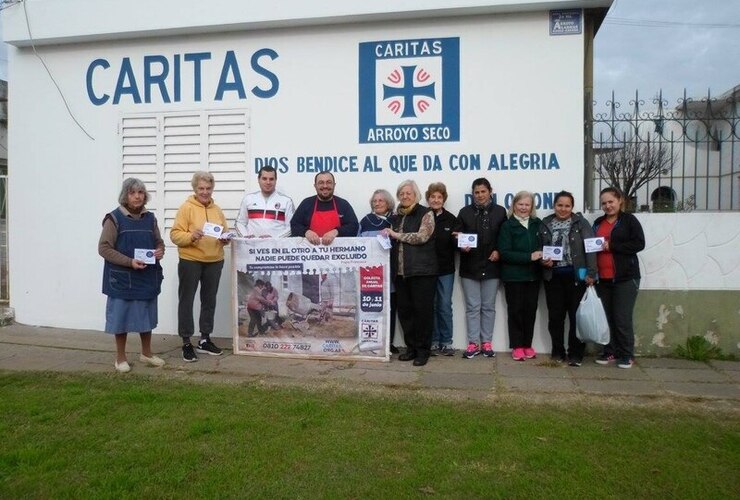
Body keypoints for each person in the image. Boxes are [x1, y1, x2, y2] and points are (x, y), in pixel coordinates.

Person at [99, 178, 166, 373]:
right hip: (122, 279)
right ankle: (120, 358)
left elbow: (158, 242)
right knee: (121, 318)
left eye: (140, 192)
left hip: (147, 276)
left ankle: (146, 354)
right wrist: (129, 262)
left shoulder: (150, 218)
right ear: (125, 196)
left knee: (146, 315)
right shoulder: (113, 218)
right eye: (132, 193)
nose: (137, 196)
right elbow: (103, 248)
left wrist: (160, 250)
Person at [170, 171, 230, 362]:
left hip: (214, 260)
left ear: (212, 189)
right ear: (195, 189)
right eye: (201, 188)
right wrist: (190, 236)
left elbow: (226, 233)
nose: (205, 192)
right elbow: (174, 235)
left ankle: (205, 339)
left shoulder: (217, 210)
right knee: (186, 300)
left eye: (208, 188)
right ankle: (186, 342)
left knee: (209, 300)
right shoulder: (186, 208)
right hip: (191, 260)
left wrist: (225, 239)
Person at [538, 191, 597, 366]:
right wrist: (543, 261)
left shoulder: (581, 223)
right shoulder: (545, 224)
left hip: (576, 277)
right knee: (555, 317)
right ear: (554, 205)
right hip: (553, 277)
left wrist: (591, 273)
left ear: (572, 207)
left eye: (567, 206)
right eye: (559, 205)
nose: (563, 209)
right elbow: (539, 248)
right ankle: (557, 351)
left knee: (576, 316)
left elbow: (590, 248)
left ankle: (576, 353)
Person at [383, 180, 438, 367]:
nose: (405, 196)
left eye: (409, 193)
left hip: (422, 272)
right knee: (405, 313)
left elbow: (422, 236)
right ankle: (411, 348)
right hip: (400, 274)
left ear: (416, 195)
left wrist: (396, 235)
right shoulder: (395, 217)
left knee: (422, 313)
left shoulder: (426, 213)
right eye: (402, 193)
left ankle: (423, 351)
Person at [454, 178, 507, 359]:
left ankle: (486, 343)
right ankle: (472, 343)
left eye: (483, 191)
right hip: (470, 267)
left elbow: (505, 236)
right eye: (477, 192)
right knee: (472, 307)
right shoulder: (464, 212)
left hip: (492, 266)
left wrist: (499, 251)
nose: (480, 195)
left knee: (488, 307)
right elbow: (456, 236)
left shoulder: (500, 212)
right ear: (473, 194)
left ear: (490, 192)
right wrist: (460, 243)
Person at [593, 187, 645, 369]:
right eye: (604, 203)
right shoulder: (598, 222)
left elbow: (639, 243)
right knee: (606, 318)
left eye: (611, 202)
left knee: (622, 318)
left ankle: (627, 354)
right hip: (603, 278)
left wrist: (612, 245)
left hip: (625, 278)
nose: (607, 206)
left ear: (620, 201)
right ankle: (610, 351)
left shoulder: (629, 220)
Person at [499, 191, 543, 361]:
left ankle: (527, 344)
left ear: (532, 207)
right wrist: (528, 257)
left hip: (533, 276)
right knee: (515, 311)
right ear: (514, 205)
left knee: (530, 311)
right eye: (520, 204)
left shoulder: (537, 223)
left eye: (527, 205)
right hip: (513, 277)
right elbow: (504, 253)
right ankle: (517, 346)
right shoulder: (507, 226)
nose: (524, 208)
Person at [358, 189, 399, 353]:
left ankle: (389, 342)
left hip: (391, 271)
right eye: (375, 201)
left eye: (381, 200)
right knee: (372, 307)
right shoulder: (365, 221)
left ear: (388, 203)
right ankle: (372, 342)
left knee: (391, 307)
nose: (377, 203)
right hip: (370, 274)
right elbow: (358, 244)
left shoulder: (395, 220)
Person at [426, 182, 457, 356]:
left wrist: (461, 242)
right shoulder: (422, 215)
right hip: (426, 269)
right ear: (428, 198)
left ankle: (446, 341)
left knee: (444, 305)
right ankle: (433, 340)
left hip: (446, 269)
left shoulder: (451, 219)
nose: (436, 200)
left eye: (439, 197)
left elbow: (457, 243)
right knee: (430, 305)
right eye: (433, 197)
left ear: (444, 199)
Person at [291, 172, 359, 244]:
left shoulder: (343, 204)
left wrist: (337, 231)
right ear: (315, 186)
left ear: (334, 185)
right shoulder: (306, 203)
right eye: (321, 183)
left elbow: (354, 226)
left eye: (329, 182)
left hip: (338, 253)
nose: (325, 186)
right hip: (311, 253)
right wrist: (306, 232)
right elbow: (294, 225)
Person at [235, 165, 295, 238]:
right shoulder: (248, 199)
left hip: (276, 247)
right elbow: (240, 222)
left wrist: (274, 238)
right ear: (258, 179)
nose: (268, 182)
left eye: (271, 179)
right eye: (264, 179)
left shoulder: (286, 201)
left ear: (276, 180)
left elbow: (291, 227)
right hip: (252, 246)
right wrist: (245, 236)